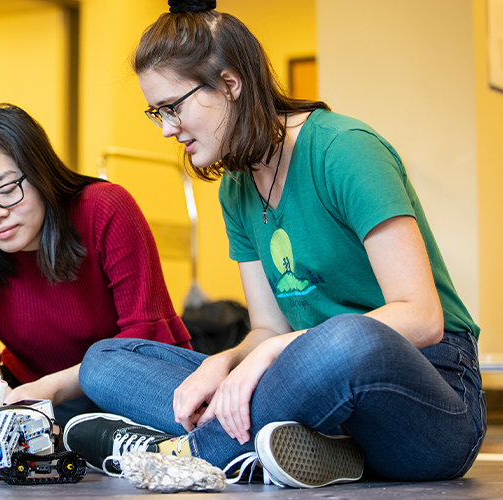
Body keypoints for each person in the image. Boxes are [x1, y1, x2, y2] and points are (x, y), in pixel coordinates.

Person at [63, 0, 485, 489]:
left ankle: (181, 451)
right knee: (106, 361)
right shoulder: (236, 189)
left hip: (429, 397)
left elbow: (422, 317)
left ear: (229, 84)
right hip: (307, 389)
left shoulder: (344, 149)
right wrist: (224, 364)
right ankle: (288, 446)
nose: (166, 129)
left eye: (173, 107)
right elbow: (266, 329)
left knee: (346, 339)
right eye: (156, 112)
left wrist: (273, 353)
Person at [0, 103, 191, 454]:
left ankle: (18, 440)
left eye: (8, 189)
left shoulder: (105, 208)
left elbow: (142, 337)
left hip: (114, 389)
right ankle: (31, 438)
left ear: (38, 173)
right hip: (30, 396)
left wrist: (48, 390)